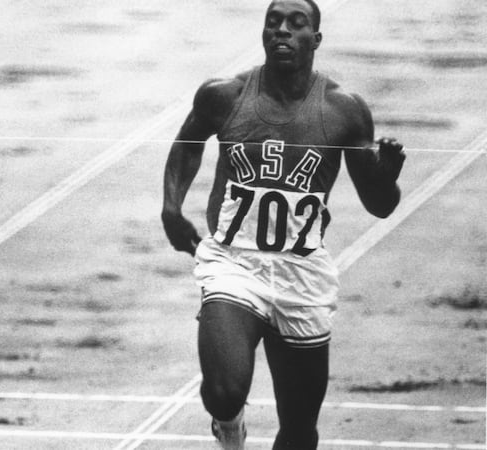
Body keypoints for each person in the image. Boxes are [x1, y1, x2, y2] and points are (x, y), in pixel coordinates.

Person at [161, 0, 405, 448]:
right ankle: (229, 430)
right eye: (273, 23)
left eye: (296, 25)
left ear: (316, 39)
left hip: (302, 275)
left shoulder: (343, 111)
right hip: (234, 265)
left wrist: (385, 175)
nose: (282, 32)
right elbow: (188, 141)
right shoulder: (225, 95)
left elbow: (381, 206)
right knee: (222, 390)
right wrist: (171, 207)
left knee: (298, 427)